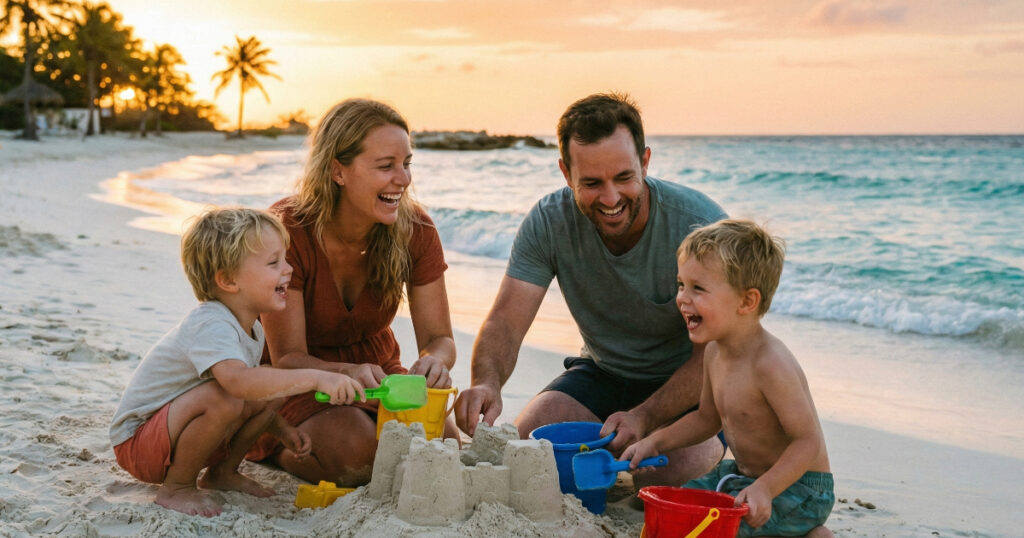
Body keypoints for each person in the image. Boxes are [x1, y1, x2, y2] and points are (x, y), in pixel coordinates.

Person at [453, 92, 728, 487]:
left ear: (645, 162)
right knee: (527, 451)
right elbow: (506, 321)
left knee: (662, 477)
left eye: (623, 178)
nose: (611, 198)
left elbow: (716, 353)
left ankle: (716, 446)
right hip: (603, 372)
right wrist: (487, 382)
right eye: (592, 183)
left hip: (692, 387)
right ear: (566, 174)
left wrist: (646, 415)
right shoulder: (549, 222)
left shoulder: (700, 226)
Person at [245, 98, 456, 486]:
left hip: (377, 373)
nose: (404, 179)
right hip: (297, 379)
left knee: (446, 447)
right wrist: (344, 373)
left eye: (407, 163)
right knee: (358, 455)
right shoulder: (288, 230)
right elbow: (288, 356)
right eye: (385, 166)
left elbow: (439, 339)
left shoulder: (416, 230)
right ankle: (267, 442)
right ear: (337, 171)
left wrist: (435, 362)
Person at [109, 208, 364, 517]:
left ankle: (222, 473)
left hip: (172, 436)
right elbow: (236, 383)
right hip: (138, 443)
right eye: (274, 263)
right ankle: (176, 487)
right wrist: (315, 378)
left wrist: (282, 430)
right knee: (227, 395)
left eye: (285, 259)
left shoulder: (252, 328)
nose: (289, 269)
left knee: (268, 385)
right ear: (228, 280)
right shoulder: (210, 323)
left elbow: (253, 390)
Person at [622, 219, 834, 537]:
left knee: (720, 531)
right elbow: (707, 419)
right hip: (742, 476)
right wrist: (654, 441)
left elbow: (808, 442)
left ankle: (813, 532)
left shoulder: (770, 364)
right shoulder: (714, 353)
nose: (682, 298)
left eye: (698, 288)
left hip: (799, 487)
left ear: (747, 302)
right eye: (681, 284)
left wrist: (765, 488)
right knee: (676, 510)